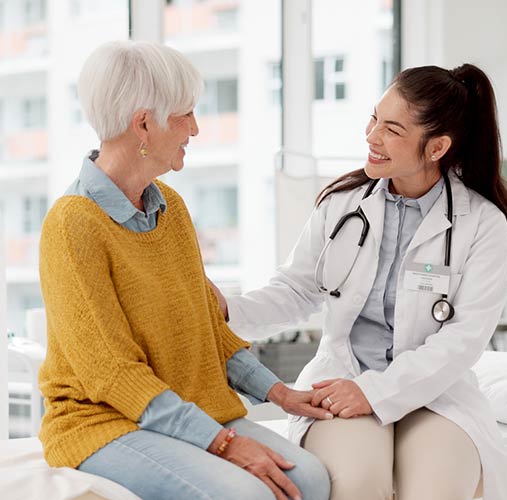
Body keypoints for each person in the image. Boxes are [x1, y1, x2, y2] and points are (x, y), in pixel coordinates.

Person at [37, 40, 331, 500]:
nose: (195, 128)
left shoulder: (170, 208)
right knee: (245, 495)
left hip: (185, 408)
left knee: (311, 477)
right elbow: (114, 375)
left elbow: (208, 331)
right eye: (185, 114)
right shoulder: (73, 225)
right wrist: (224, 443)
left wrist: (280, 393)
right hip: (104, 421)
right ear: (144, 124)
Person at [211, 64, 507, 500]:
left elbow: (464, 339)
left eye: (392, 129)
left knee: (438, 490)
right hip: (342, 380)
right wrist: (229, 310)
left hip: (434, 391)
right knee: (356, 483)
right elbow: (297, 290)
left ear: (437, 147)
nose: (372, 136)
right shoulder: (341, 205)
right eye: (375, 118)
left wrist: (373, 392)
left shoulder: (481, 224)